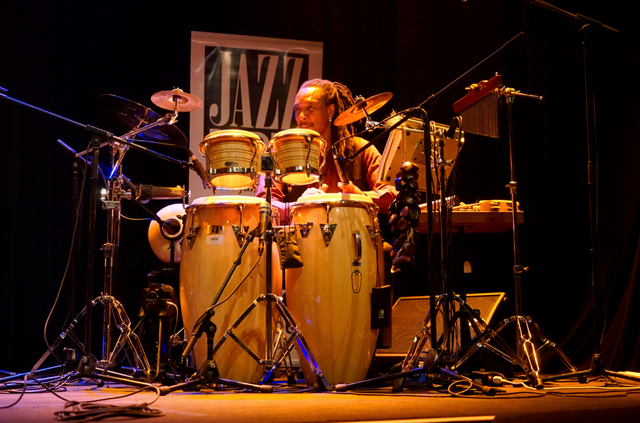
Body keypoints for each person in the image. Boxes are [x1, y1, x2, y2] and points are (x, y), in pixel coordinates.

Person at [256, 78, 397, 222]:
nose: (302, 116)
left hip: (354, 240)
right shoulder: (284, 154)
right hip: (298, 240)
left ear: (330, 111)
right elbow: (264, 204)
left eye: (311, 108)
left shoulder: (362, 149)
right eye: (298, 109)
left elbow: (392, 194)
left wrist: (360, 196)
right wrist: (299, 205)